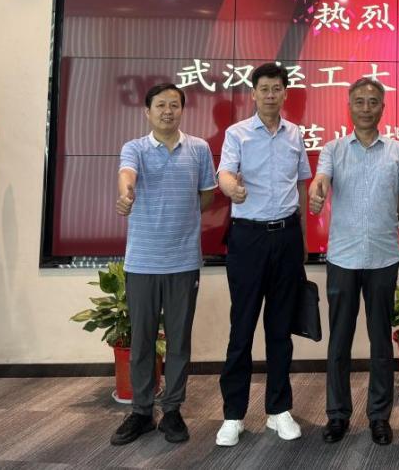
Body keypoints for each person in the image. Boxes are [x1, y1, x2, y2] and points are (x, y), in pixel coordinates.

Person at [308, 78, 399, 446]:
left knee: (381, 342)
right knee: (339, 341)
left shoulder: (397, 152)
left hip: (384, 258)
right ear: (349, 106)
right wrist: (317, 193)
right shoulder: (333, 149)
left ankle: (379, 416)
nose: (366, 108)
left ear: (383, 108)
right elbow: (320, 181)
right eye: (359, 101)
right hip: (343, 258)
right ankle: (337, 414)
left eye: (373, 102)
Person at [111, 83, 216, 446]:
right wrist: (126, 193)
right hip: (142, 262)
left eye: (174, 105)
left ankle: (172, 410)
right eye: (160, 105)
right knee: (141, 341)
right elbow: (127, 175)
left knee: (178, 341)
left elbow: (206, 196)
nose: (168, 111)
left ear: (182, 110)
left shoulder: (199, 149)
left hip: (183, 261)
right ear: (148, 112)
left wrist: (181, 215)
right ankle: (141, 412)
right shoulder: (135, 148)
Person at [215, 63, 311, 447]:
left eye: (276, 88)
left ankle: (278, 409)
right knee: (241, 328)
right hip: (248, 239)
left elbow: (300, 186)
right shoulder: (237, 133)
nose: (270, 94)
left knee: (280, 328)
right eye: (264, 89)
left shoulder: (295, 134)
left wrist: (303, 238)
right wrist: (232, 190)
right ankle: (233, 414)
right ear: (253, 93)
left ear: (285, 93)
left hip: (287, 237)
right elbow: (225, 173)